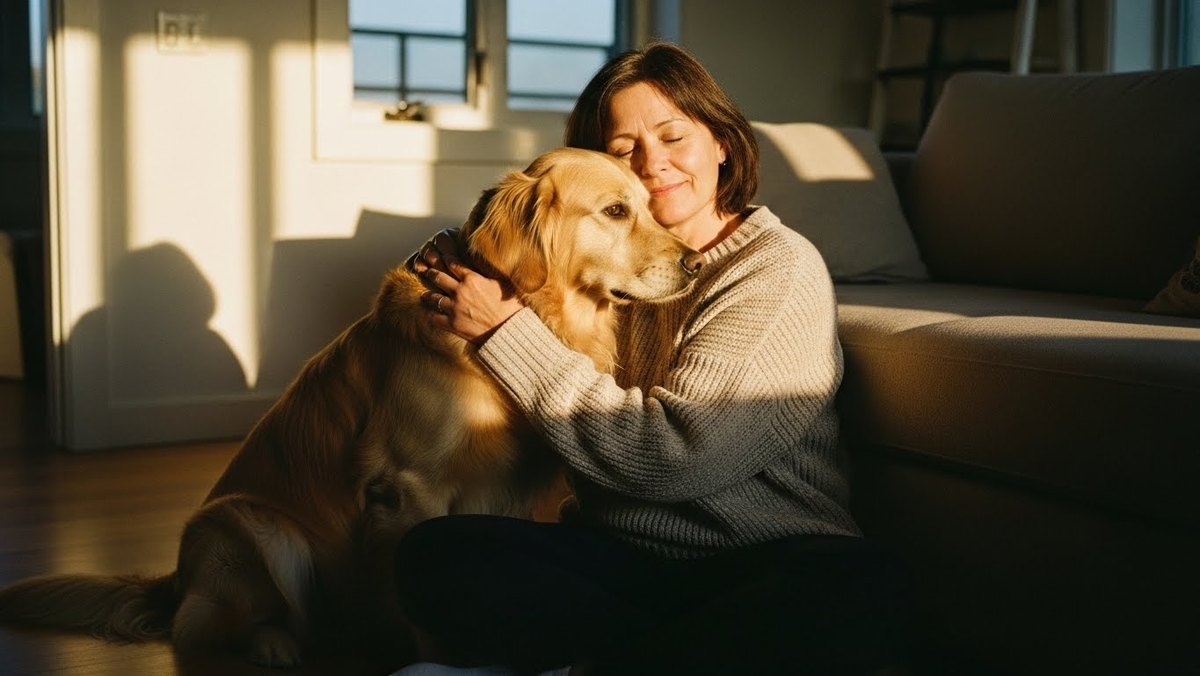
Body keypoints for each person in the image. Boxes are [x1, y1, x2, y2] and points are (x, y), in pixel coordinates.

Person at [393, 41, 913, 676]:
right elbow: (526, 243)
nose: (653, 164)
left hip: (762, 559)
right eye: (622, 152)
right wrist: (470, 254)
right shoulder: (593, 269)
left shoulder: (776, 269)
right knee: (437, 553)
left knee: (864, 591)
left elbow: (673, 461)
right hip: (618, 560)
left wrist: (506, 331)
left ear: (722, 142)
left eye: (673, 137)